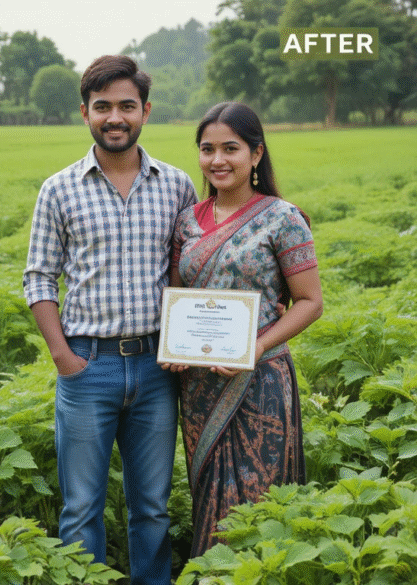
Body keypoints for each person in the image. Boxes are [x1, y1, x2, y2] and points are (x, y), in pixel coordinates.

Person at [22, 55, 197, 585]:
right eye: (103, 107)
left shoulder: (177, 185)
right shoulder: (60, 188)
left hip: (156, 369)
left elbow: (196, 270)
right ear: (85, 113)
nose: (114, 117)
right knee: (80, 508)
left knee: (153, 507)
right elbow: (38, 278)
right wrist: (64, 359)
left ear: (145, 111)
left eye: (126, 106)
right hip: (87, 366)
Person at [165, 102, 322, 557]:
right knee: (209, 494)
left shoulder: (283, 218)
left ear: (256, 154)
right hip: (198, 384)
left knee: (260, 502)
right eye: (207, 149)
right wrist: (173, 344)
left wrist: (253, 349)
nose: (218, 160)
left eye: (230, 148)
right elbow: (177, 299)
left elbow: (310, 303)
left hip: (261, 382)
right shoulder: (188, 222)